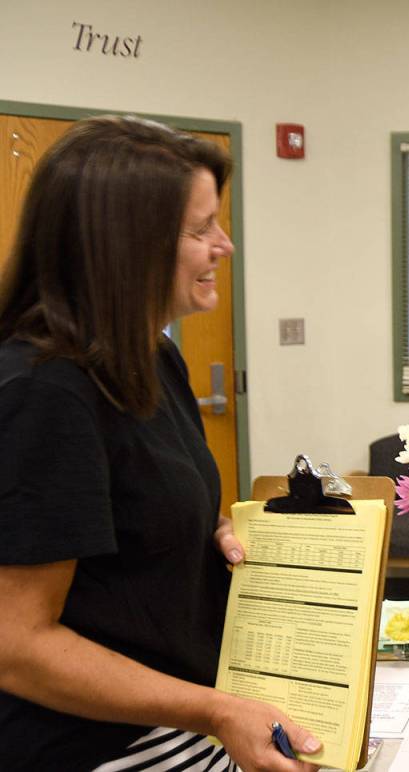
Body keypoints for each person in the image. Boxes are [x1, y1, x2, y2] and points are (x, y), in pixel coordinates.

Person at [0, 116, 321, 771]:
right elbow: (17, 644)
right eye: (201, 229)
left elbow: (124, 517)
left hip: (173, 710)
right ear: (126, 244)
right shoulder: (46, 392)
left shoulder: (152, 358)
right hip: (97, 742)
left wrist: (209, 531)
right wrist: (217, 711)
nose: (223, 245)